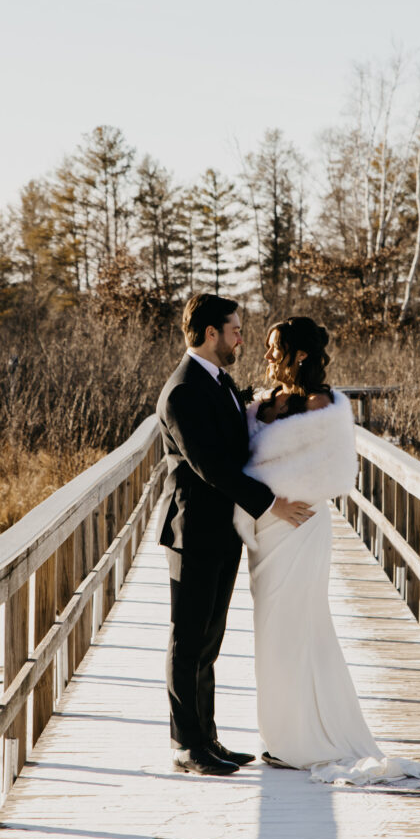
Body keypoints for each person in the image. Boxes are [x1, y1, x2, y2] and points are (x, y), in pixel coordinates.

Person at [234, 317, 420, 785]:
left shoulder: (323, 404)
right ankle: (279, 735)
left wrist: (287, 497)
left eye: (275, 348)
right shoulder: (261, 404)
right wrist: (268, 503)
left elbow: (328, 471)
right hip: (265, 530)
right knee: (268, 632)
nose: (267, 355)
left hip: (301, 528)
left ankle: (305, 740)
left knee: (300, 627)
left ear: (301, 354)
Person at [156, 293, 314, 776]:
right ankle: (187, 746)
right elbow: (211, 467)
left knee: (209, 640)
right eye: (236, 329)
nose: (242, 337)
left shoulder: (219, 383)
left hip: (222, 529)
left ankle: (209, 736)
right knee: (188, 639)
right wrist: (272, 505)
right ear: (210, 334)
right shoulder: (183, 390)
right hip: (193, 529)